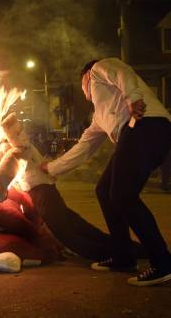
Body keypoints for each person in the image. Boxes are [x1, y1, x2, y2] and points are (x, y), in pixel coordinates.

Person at [41, 57, 171, 286]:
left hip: (145, 125)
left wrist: (133, 97)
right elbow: (84, 147)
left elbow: (122, 71)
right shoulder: (100, 116)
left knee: (123, 196)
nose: (83, 90)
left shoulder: (97, 69)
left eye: (81, 84)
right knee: (104, 191)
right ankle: (123, 256)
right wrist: (52, 168)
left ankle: (163, 262)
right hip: (135, 134)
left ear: (85, 76)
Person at [0, 112, 146, 263]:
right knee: (80, 227)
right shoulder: (28, 147)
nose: (21, 134)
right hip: (50, 192)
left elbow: (5, 169)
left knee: (67, 236)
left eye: (19, 130)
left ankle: (107, 255)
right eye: (17, 132)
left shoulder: (18, 151)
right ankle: (134, 249)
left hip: (43, 196)